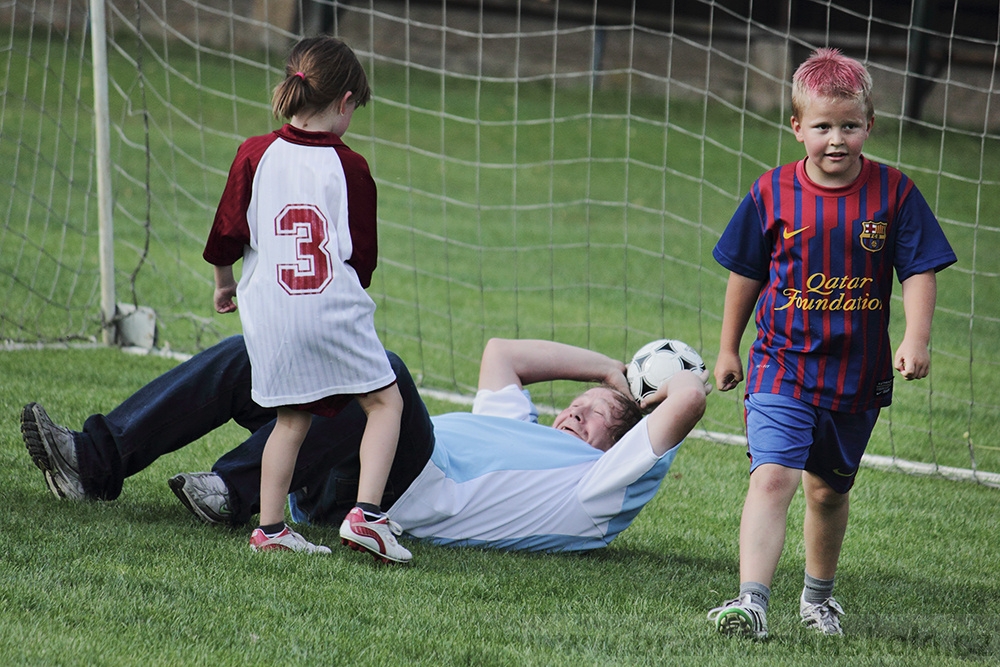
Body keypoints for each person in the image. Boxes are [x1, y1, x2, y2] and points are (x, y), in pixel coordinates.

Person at [21, 334, 709, 553]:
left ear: (613, 446)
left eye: (589, 419)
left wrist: (654, 389)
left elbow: (691, 399)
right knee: (257, 356)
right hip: (348, 466)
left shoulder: (597, 487)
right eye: (574, 409)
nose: (571, 418)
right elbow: (503, 353)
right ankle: (94, 461)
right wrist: (605, 373)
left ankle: (233, 490)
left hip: (402, 487)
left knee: (382, 376)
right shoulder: (520, 427)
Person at [707, 48, 957, 639]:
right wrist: (727, 348)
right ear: (797, 128)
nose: (837, 139)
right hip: (781, 363)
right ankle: (752, 602)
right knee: (774, 476)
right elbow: (744, 272)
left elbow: (919, 269)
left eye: (849, 125)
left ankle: (818, 599)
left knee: (827, 492)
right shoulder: (771, 192)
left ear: (870, 125)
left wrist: (915, 337)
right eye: (822, 126)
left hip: (856, 373)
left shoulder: (894, 193)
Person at [203, 36, 407, 560]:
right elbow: (361, 256)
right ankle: (368, 517)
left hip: (268, 311)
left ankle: (270, 530)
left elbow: (226, 231)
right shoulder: (350, 167)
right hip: (326, 303)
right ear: (344, 102)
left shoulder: (255, 152)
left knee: (291, 419)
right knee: (386, 402)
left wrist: (224, 282)